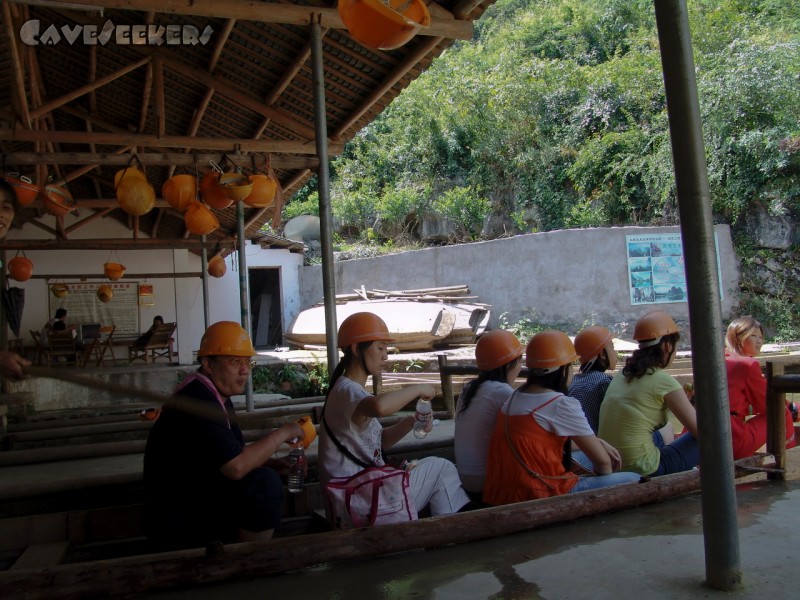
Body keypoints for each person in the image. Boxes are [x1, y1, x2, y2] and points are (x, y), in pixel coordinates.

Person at [143, 321, 305, 550]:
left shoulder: (215, 395)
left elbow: (233, 453)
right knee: (264, 485)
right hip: (176, 517)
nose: (244, 370)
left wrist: (273, 463)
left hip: (195, 499)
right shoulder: (198, 400)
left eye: (247, 362)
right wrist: (283, 432)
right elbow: (235, 467)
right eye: (234, 361)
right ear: (208, 364)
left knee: (266, 474)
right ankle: (247, 561)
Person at [318, 312, 470, 519]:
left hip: (362, 494)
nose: (385, 356)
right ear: (355, 349)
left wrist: (412, 421)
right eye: (380, 348)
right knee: (443, 468)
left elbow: (379, 442)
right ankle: (447, 531)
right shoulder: (347, 390)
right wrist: (418, 388)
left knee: (431, 465)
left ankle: (441, 529)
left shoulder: (350, 390)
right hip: (358, 499)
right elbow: (380, 407)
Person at [484, 330, 639, 505]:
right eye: (570, 364)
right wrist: (600, 478)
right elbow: (603, 464)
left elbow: (540, 440)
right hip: (541, 493)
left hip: (503, 494)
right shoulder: (560, 403)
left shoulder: (514, 397)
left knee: (586, 458)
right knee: (634, 479)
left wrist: (598, 442)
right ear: (562, 370)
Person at [598, 310, 699, 476]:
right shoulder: (664, 381)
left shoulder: (623, 374)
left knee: (666, 428)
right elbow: (701, 432)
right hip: (646, 470)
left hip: (614, 465)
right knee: (712, 434)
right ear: (667, 346)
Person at [454, 329, 523, 500]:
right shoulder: (503, 392)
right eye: (520, 360)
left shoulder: (469, 389)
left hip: (463, 477)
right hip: (486, 482)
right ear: (509, 364)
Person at [725, 316, 796, 459]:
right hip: (731, 438)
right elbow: (767, 404)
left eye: (760, 337)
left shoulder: (719, 358)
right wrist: (791, 407)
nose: (759, 341)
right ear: (737, 337)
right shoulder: (747, 364)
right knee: (781, 412)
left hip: (698, 432)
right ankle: (790, 458)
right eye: (753, 336)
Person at [568, 326, 617, 434]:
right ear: (602, 354)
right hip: (599, 441)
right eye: (613, 348)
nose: (615, 353)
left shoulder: (574, 381)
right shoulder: (604, 382)